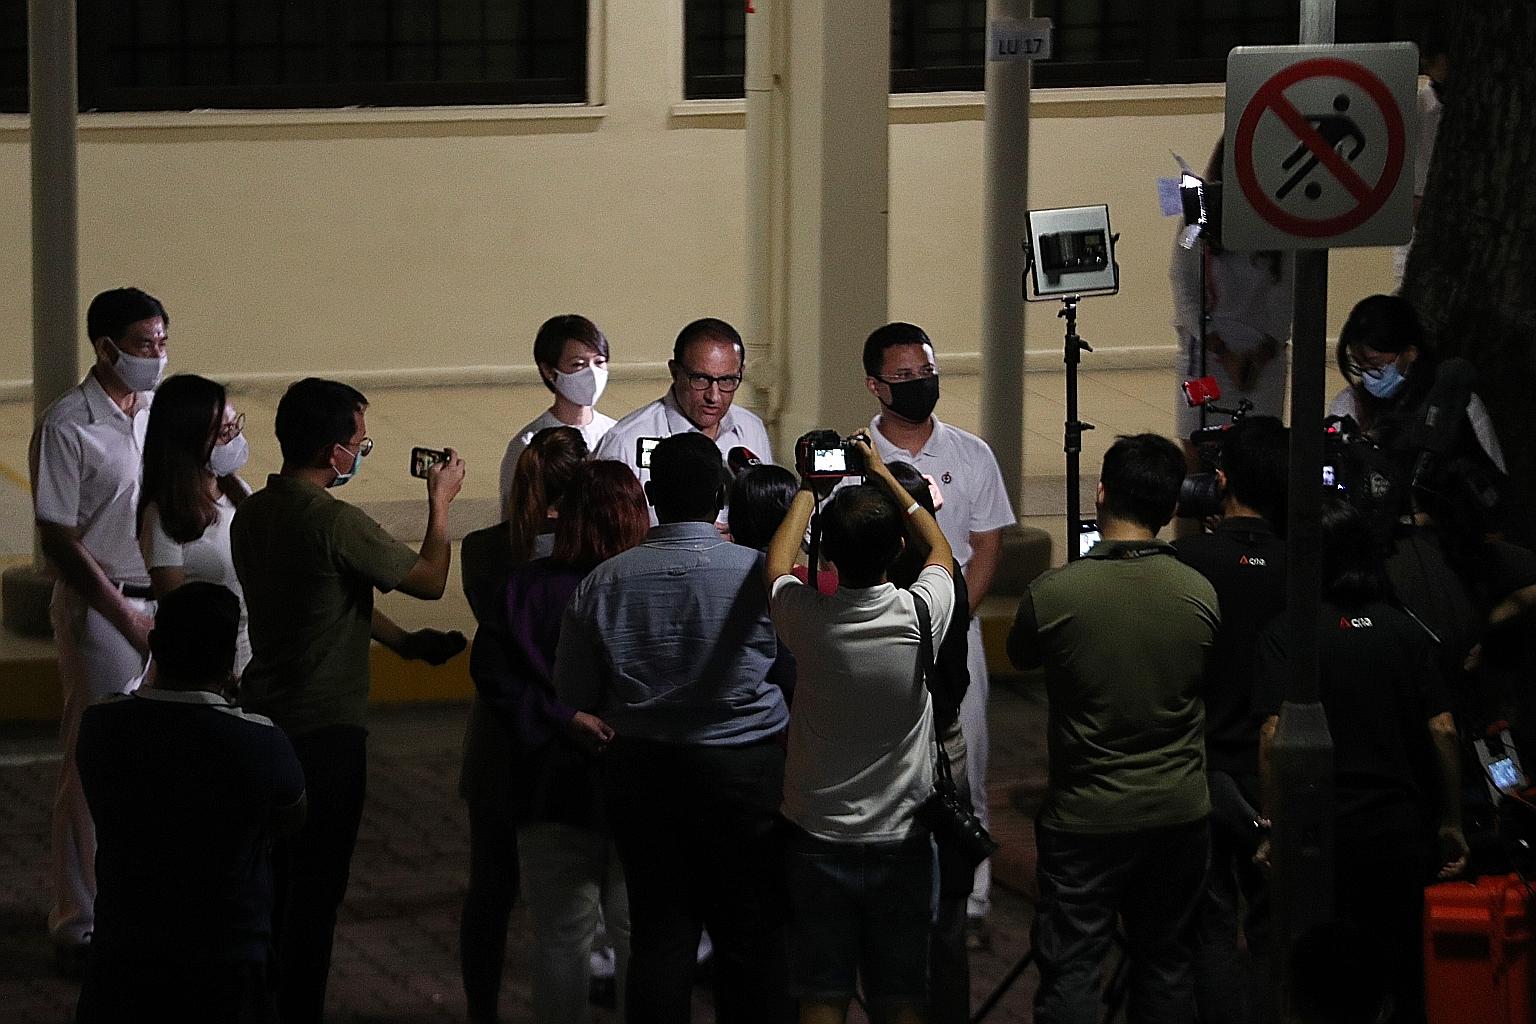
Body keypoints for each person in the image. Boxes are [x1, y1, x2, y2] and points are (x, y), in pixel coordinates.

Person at [231, 377, 468, 1024]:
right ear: (334, 452)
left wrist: (404, 646)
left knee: (269, 882)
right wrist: (439, 502)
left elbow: (325, 603)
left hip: (263, 719)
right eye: (359, 443)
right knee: (315, 890)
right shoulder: (336, 522)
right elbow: (427, 578)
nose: (361, 453)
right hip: (325, 733)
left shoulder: (254, 514)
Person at [554, 432, 791, 1024]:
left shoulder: (603, 582)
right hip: (746, 770)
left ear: (653, 493)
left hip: (642, 771)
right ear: (721, 493)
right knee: (750, 935)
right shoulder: (762, 574)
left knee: (660, 936)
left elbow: (575, 694)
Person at [1007, 433, 1220, 1024]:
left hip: (1085, 815)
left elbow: (1023, 656)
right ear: (1172, 508)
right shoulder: (1199, 594)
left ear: (1100, 494)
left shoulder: (1056, 594)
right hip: (1178, 811)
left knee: (1073, 964)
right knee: (1166, 964)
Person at [1255, 498, 1468, 1024]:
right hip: (1397, 831)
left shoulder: (1291, 635)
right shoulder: (1405, 631)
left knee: (1320, 977)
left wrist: (1272, 825)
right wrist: (1452, 820)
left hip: (1320, 835)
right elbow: (1442, 730)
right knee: (1398, 970)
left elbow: (1272, 733)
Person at [766, 437, 955, 1024]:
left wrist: (809, 485)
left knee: (822, 993)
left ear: (830, 558)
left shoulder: (807, 617)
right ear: (895, 547)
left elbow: (775, 564)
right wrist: (882, 474)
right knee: (901, 995)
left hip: (816, 831)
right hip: (901, 836)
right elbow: (940, 547)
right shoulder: (922, 612)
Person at [74, 582, 305, 1024]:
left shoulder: (101, 727)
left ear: (157, 645)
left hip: (125, 951)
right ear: (228, 660)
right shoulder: (260, 741)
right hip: (228, 955)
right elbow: (292, 816)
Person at [474, 461, 649, 1024]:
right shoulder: (646, 585)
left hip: (550, 784)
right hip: (636, 785)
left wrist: (561, 715)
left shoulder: (523, 588)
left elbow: (495, 675)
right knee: (638, 934)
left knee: (559, 937)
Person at [862, 321, 1015, 937]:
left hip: (956, 638)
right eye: (904, 378)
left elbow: (986, 548)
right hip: (879, 637)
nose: (920, 385)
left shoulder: (971, 453)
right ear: (876, 386)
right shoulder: (855, 458)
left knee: (965, 762)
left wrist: (952, 622)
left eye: (927, 373)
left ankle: (970, 898)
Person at [30, 286, 168, 964]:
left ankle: (138, 903)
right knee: (94, 764)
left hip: (159, 597)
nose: (158, 356)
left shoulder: (157, 415)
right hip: (101, 606)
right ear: (106, 347)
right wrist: (123, 615)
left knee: (157, 764)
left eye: (164, 342)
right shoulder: (68, 425)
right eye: (146, 345)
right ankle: (78, 919)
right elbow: (57, 534)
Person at [460, 425, 589, 1023]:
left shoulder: (486, 550)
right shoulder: (598, 559)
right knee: (572, 904)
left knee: (490, 891)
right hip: (573, 741)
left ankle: (481, 1009)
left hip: (500, 736)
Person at [1172, 416, 1288, 1024]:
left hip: (1205, 769)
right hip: (1283, 772)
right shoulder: (1303, 565)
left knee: (1212, 928)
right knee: (1277, 927)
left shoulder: (1188, 559)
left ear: (1222, 481)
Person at [886, 461, 974, 1024]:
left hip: (902, 757)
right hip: (945, 749)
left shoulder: (878, 588)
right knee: (947, 918)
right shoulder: (944, 582)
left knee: (900, 919)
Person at [1171, 139, 1293, 441]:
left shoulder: (1282, 219)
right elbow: (1182, 283)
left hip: (1261, 364)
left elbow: (1288, 291)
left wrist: (1260, 355)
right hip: (1205, 357)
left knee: (1259, 445)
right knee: (1197, 438)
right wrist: (1222, 351)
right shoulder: (1196, 216)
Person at [137, 373, 254, 675]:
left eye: (234, 426)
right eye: (224, 432)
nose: (235, 439)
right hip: (206, 672)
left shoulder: (238, 491)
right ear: (189, 439)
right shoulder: (165, 516)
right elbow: (176, 615)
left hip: (250, 661)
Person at [592, 318, 774, 498]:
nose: (714, 396)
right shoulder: (625, 442)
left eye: (727, 380)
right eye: (701, 379)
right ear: (675, 372)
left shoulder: (751, 429)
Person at [1329, 293, 1505, 472]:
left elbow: (1491, 481)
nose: (1367, 376)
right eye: (1359, 366)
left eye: (1376, 365)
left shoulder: (1459, 405)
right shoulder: (1348, 406)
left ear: (1410, 353)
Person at [498, 315, 617, 517]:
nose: (592, 374)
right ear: (548, 371)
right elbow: (514, 516)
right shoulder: (529, 444)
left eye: (599, 362)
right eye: (578, 364)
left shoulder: (615, 434)